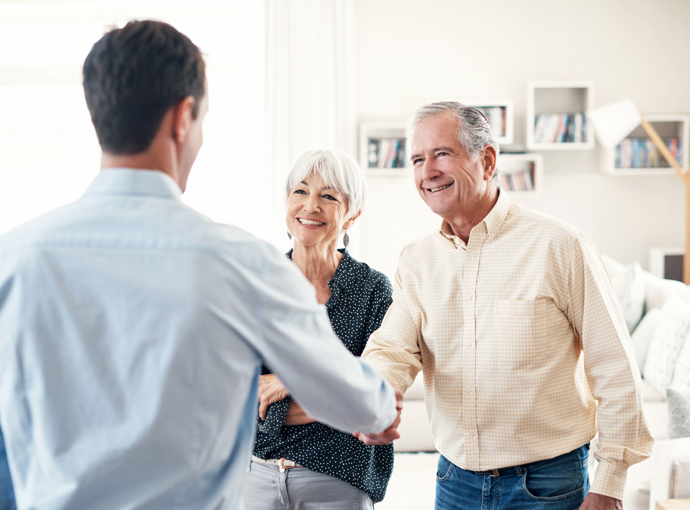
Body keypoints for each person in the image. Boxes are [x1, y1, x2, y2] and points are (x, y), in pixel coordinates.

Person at [0, 20, 402, 510]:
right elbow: (364, 405)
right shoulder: (241, 264)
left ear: (98, 112)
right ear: (183, 117)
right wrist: (378, 406)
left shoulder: (15, 258)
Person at [361, 101, 654, 510]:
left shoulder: (559, 245)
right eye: (417, 159)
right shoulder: (417, 260)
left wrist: (610, 483)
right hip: (454, 482)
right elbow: (392, 349)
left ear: (487, 160)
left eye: (442, 153)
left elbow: (614, 368)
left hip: (549, 484)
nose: (427, 172)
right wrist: (372, 397)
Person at [243, 149, 395, 509]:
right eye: (300, 191)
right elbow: (235, 393)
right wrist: (332, 388)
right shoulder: (256, 284)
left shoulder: (372, 289)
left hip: (339, 479)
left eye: (328, 196)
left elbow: (372, 398)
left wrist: (289, 382)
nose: (311, 205)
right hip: (255, 475)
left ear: (352, 215)